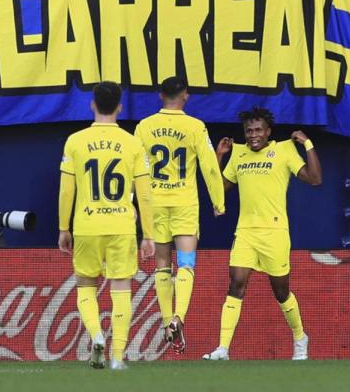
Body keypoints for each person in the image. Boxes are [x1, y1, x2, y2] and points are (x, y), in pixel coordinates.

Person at [203, 107, 322, 362]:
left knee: (281, 292)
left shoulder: (284, 150)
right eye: (249, 131)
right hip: (246, 231)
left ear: (268, 132)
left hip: (275, 232)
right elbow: (219, 189)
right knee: (236, 283)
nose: (253, 135)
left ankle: (300, 337)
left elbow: (315, 179)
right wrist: (219, 156)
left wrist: (308, 144)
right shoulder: (239, 153)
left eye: (258, 130)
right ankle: (223, 348)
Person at [58, 81, 155, 371]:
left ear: (92, 104)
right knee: (121, 287)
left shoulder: (75, 141)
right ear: (120, 107)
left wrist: (64, 227)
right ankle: (117, 357)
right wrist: (148, 234)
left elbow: (66, 190)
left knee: (85, 284)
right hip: (121, 225)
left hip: (87, 224)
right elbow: (145, 193)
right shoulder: (133, 143)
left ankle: (97, 335)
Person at [135, 77, 225, 354]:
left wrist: (133, 203)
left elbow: (135, 168)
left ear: (160, 95)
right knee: (186, 264)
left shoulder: (144, 126)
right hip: (184, 204)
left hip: (155, 204)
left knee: (162, 264)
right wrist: (218, 201)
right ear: (185, 95)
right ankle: (178, 317)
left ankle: (166, 322)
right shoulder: (195, 126)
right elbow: (210, 167)